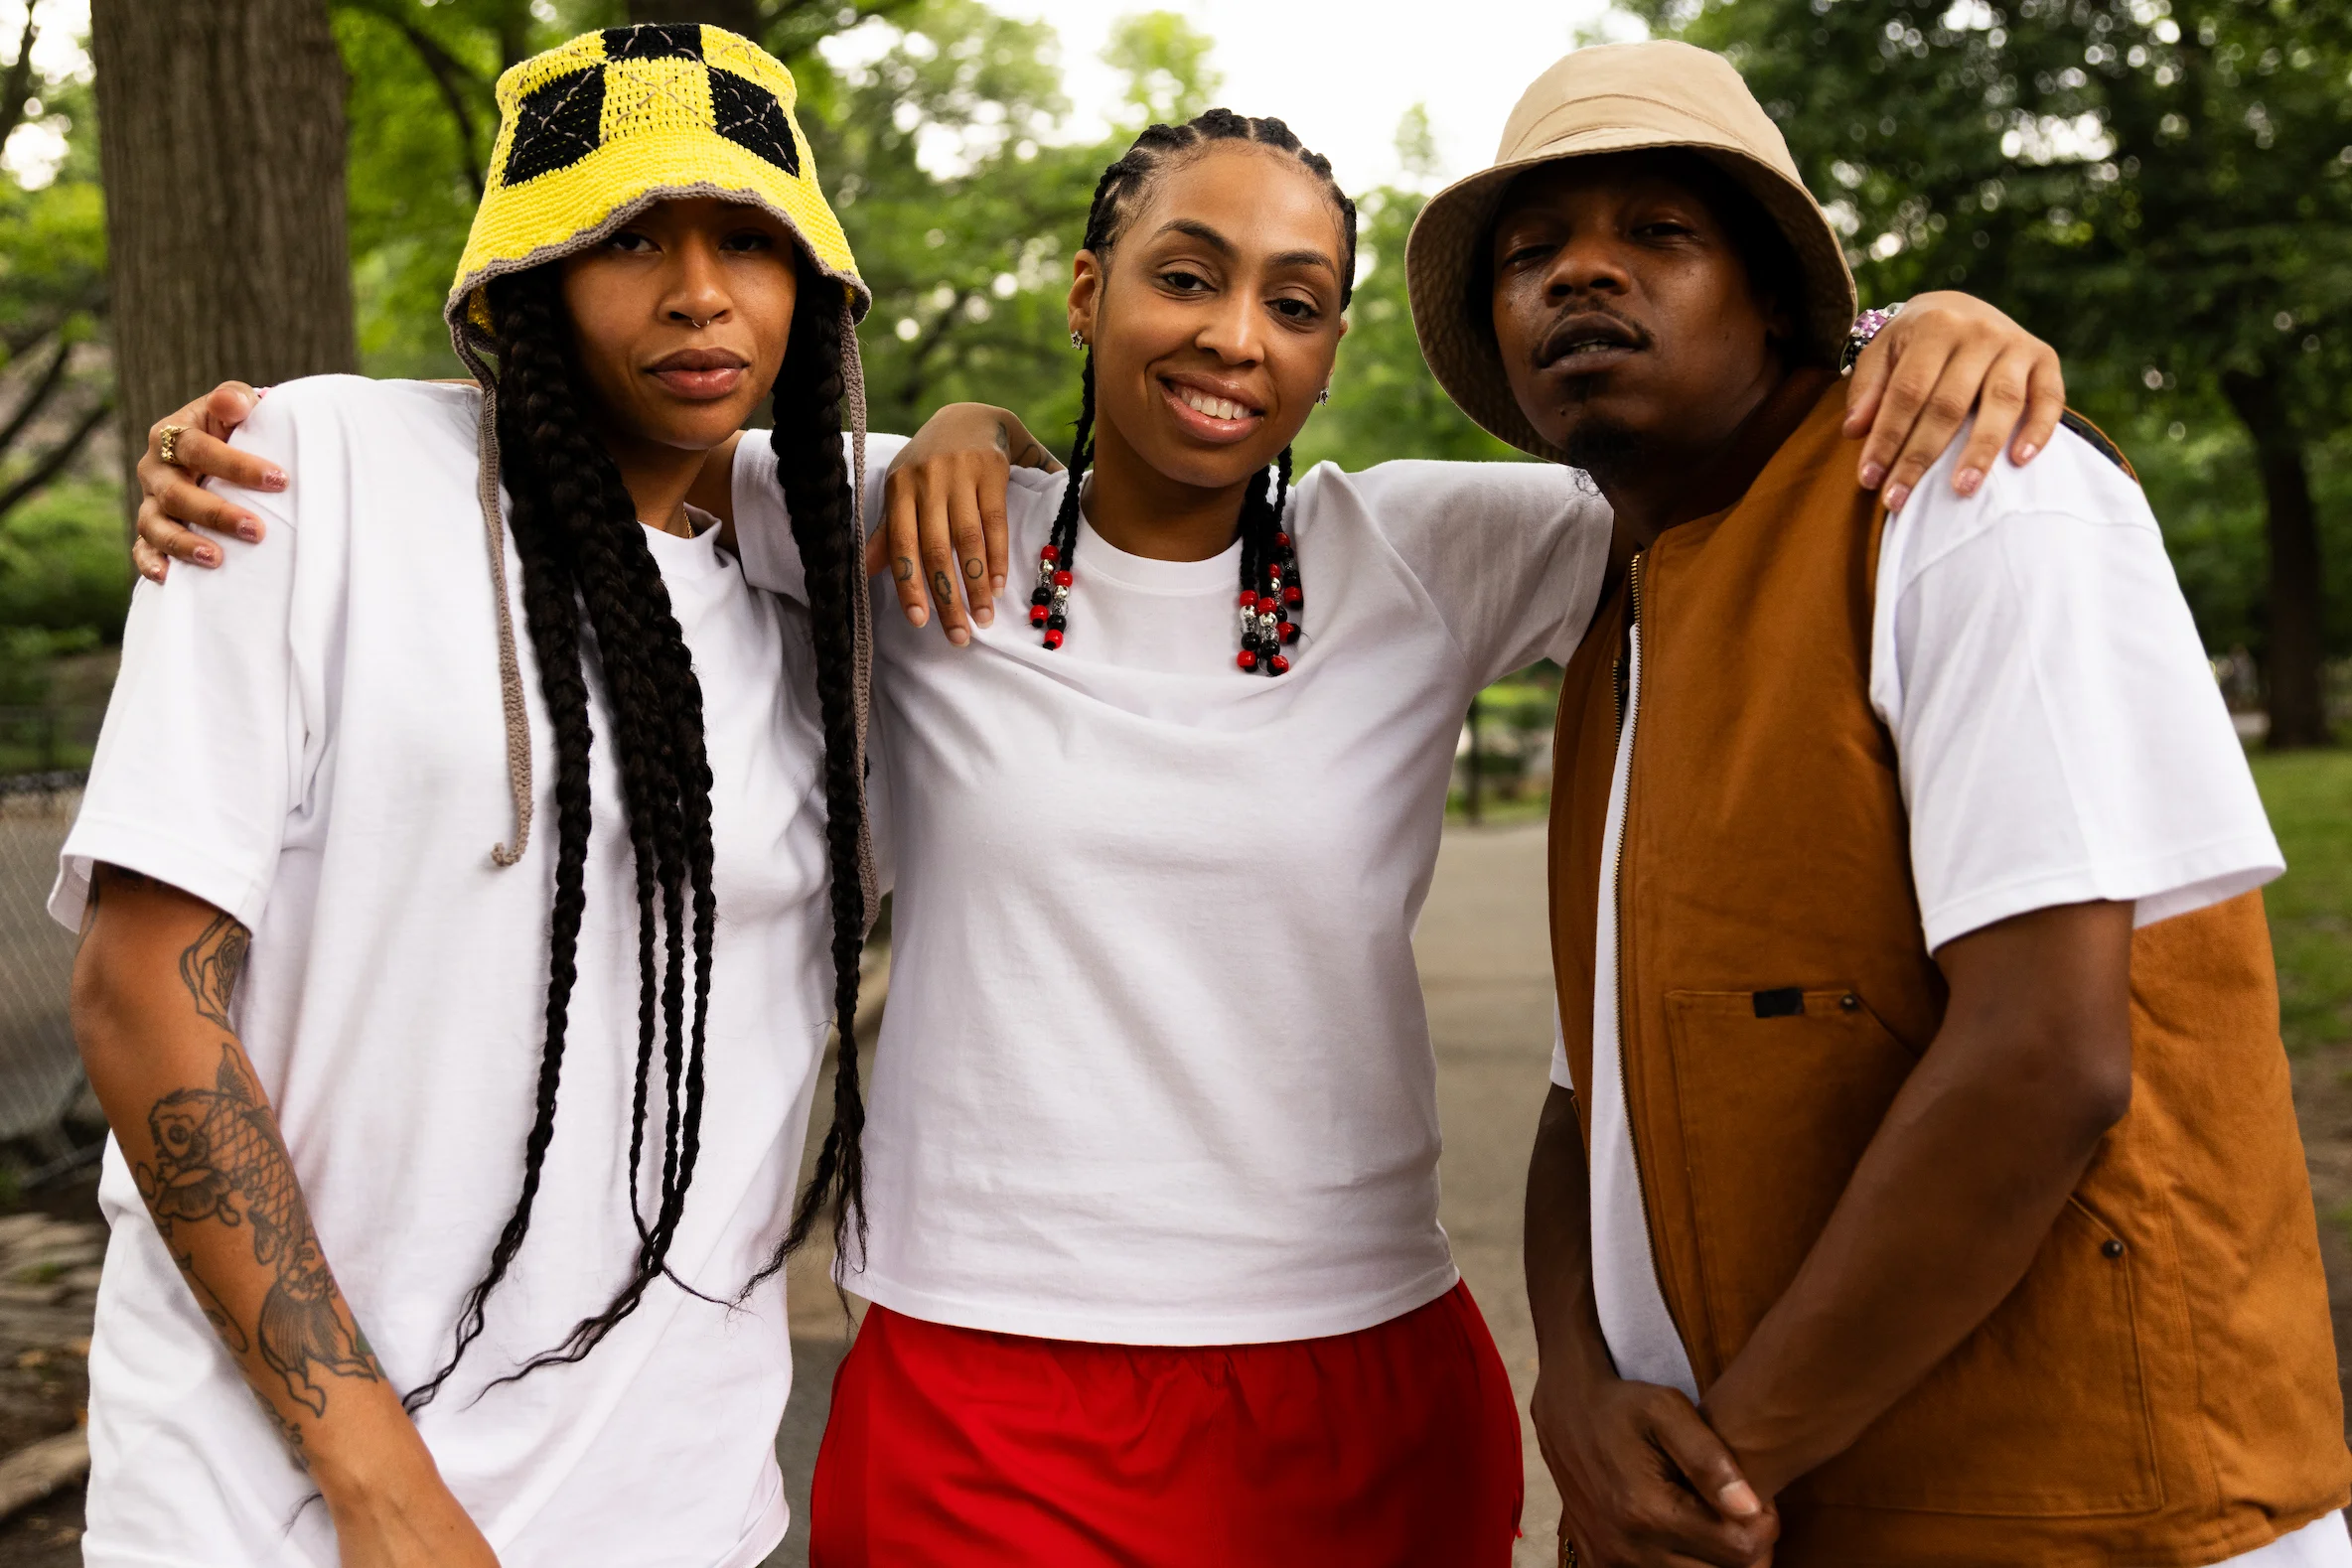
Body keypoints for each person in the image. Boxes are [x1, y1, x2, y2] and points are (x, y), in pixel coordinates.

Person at [133, 106, 2065, 1568]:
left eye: (1293, 301)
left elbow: (1729, 462)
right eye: (1183, 272)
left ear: (1325, 351)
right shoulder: (891, 524)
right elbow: (592, 414)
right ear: (1089, 293)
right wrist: (259, 452)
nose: (1233, 332)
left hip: (1360, 1370)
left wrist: (1917, 325)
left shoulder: (1424, 551)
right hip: (981, 1383)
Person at [1399, 38, 2352, 1568]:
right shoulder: (1618, 618)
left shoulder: (1971, 493)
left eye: (1659, 233)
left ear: (1775, 297)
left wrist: (1717, 1476)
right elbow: (1594, 1103)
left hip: (2089, 1510)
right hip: (1793, 1508)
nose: (1582, 274)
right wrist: (1576, 1397)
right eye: (1532, 253)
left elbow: (2046, 1059)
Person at [58, 25, 873, 1567]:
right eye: (630, 236)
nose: (701, 289)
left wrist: (979, 433)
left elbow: (1066, 504)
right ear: (527, 282)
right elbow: (136, 993)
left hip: (677, 1506)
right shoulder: (307, 471)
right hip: (275, 1515)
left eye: (752, 242)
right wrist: (384, 1492)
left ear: (812, 293)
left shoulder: (823, 579)